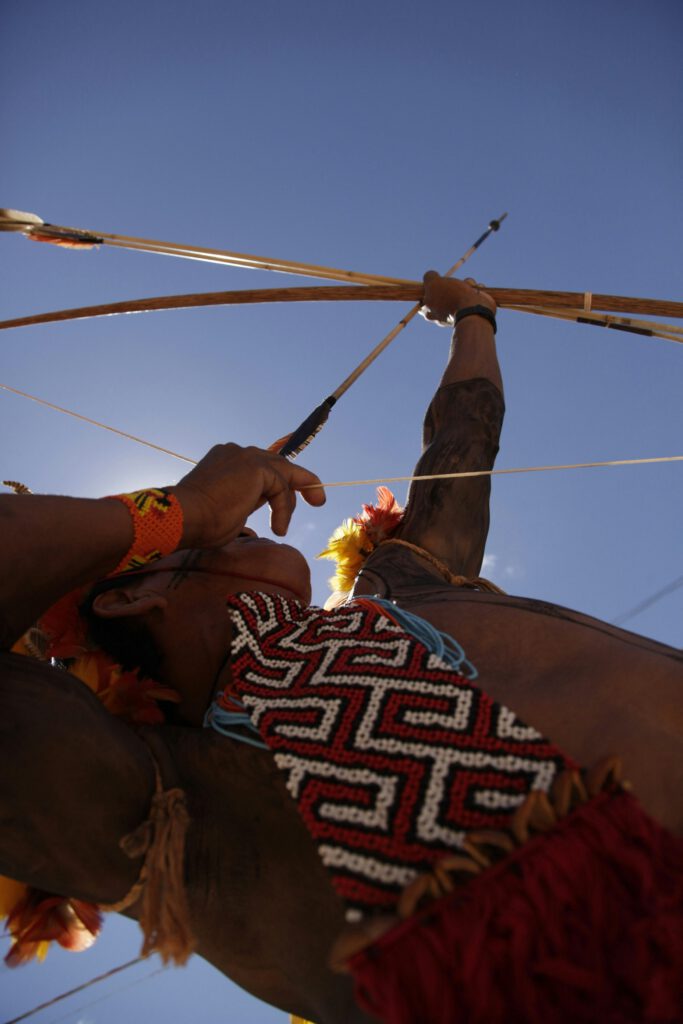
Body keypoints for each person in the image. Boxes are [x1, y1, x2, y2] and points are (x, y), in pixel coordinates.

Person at [0, 275, 681, 1023]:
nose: (245, 523)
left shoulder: (401, 586)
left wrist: (473, 315)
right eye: (222, 534)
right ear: (132, 595)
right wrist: (180, 512)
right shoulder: (156, 797)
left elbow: (464, 437)